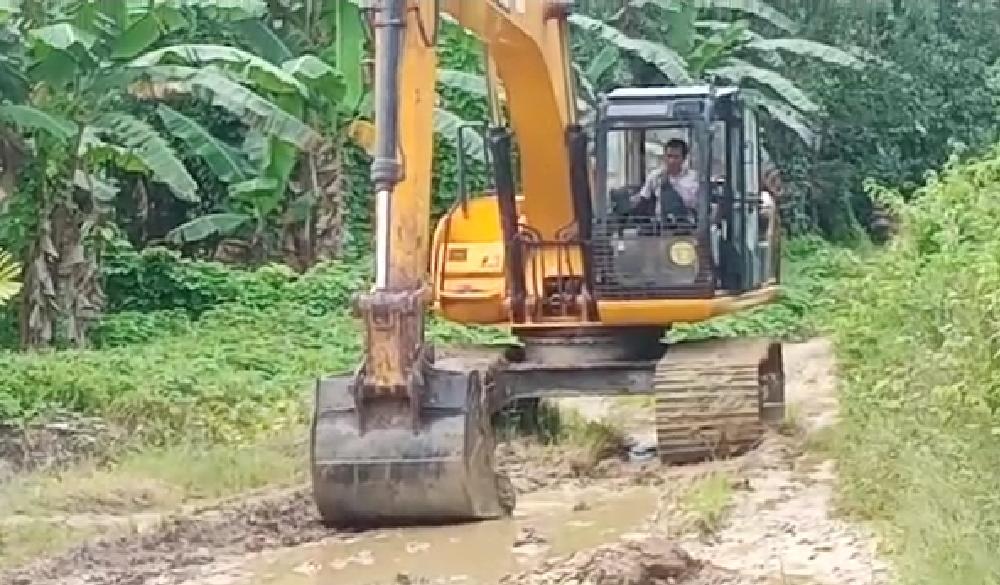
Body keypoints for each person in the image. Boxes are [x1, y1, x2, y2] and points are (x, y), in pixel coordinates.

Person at [629, 138, 700, 218]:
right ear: (664, 157)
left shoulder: (694, 178)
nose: (672, 161)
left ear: (684, 158)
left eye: (676, 157)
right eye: (669, 156)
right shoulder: (655, 176)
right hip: (662, 225)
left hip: (688, 225)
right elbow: (643, 198)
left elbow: (700, 206)